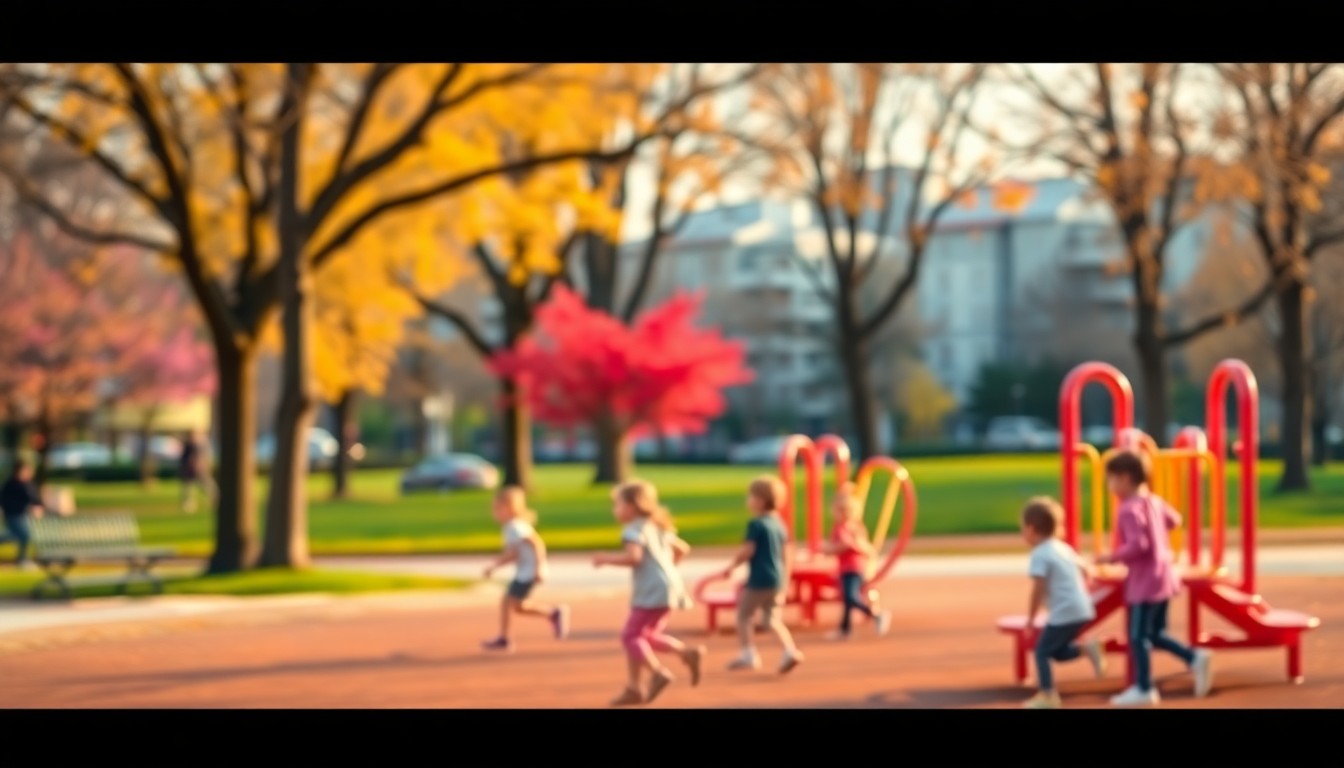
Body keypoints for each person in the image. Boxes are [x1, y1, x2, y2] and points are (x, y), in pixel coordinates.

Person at [1095, 450, 1213, 706]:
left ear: (1125, 478)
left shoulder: (1127, 509)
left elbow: (1139, 545)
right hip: (1164, 575)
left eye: (1112, 479)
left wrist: (1110, 557)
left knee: (1138, 636)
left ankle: (1144, 688)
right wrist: (1159, 536)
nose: (1110, 486)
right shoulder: (1153, 500)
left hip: (1145, 582)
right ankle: (1195, 658)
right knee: (1156, 633)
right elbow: (1175, 520)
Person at [593, 479, 706, 706]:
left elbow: (634, 558)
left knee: (630, 636)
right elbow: (683, 549)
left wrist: (606, 559)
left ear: (631, 507)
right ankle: (680, 657)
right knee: (645, 637)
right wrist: (669, 570)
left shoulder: (632, 530)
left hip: (651, 590)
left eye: (617, 505)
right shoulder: (657, 525)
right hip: (669, 586)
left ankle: (656, 673)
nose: (614, 510)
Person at [1018, 496, 1106, 709]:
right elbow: (1086, 568)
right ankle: (1087, 649)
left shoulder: (1040, 554)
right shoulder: (1062, 547)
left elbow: (1037, 590)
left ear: (1031, 529)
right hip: (1082, 608)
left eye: (1022, 528)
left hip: (1065, 612)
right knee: (1056, 651)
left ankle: (1048, 695)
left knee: (1041, 652)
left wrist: (1030, 619)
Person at [715, 475, 804, 674]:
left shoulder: (756, 524)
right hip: (777, 579)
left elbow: (748, 550)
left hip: (759, 578)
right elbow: (786, 554)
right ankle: (790, 651)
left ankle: (748, 654)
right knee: (771, 620)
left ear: (760, 500)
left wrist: (732, 566)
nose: (747, 500)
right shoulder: (779, 523)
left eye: (750, 496)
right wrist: (786, 579)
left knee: (743, 615)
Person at [481, 486, 569, 651]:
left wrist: (539, 567)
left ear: (509, 508)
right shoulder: (512, 527)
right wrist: (496, 565)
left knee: (509, 602)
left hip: (528, 573)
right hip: (524, 573)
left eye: (497, 508)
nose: (494, 513)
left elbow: (536, 543)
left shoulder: (515, 526)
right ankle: (552, 613)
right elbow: (514, 554)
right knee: (518, 606)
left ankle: (504, 638)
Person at [823, 483, 891, 640]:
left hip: (853, 569)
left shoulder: (851, 529)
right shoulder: (841, 528)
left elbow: (847, 547)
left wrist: (831, 549)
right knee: (847, 600)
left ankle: (876, 615)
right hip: (846, 568)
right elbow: (839, 546)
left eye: (847, 511)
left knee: (850, 597)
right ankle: (844, 629)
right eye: (840, 510)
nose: (843, 514)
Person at [1, 460, 45, 568]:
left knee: (17, 535)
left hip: (25, 516)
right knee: (24, 535)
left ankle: (22, 558)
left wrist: (37, 507)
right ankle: (22, 559)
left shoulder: (29, 484)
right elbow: (5, 500)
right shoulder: (11, 485)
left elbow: (35, 499)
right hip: (14, 515)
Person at [178, 431, 216, 514]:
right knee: (188, 488)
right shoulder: (188, 445)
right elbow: (184, 458)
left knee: (207, 486)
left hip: (200, 470)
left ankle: (215, 499)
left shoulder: (201, 445)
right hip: (189, 471)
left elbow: (206, 458)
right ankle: (189, 504)